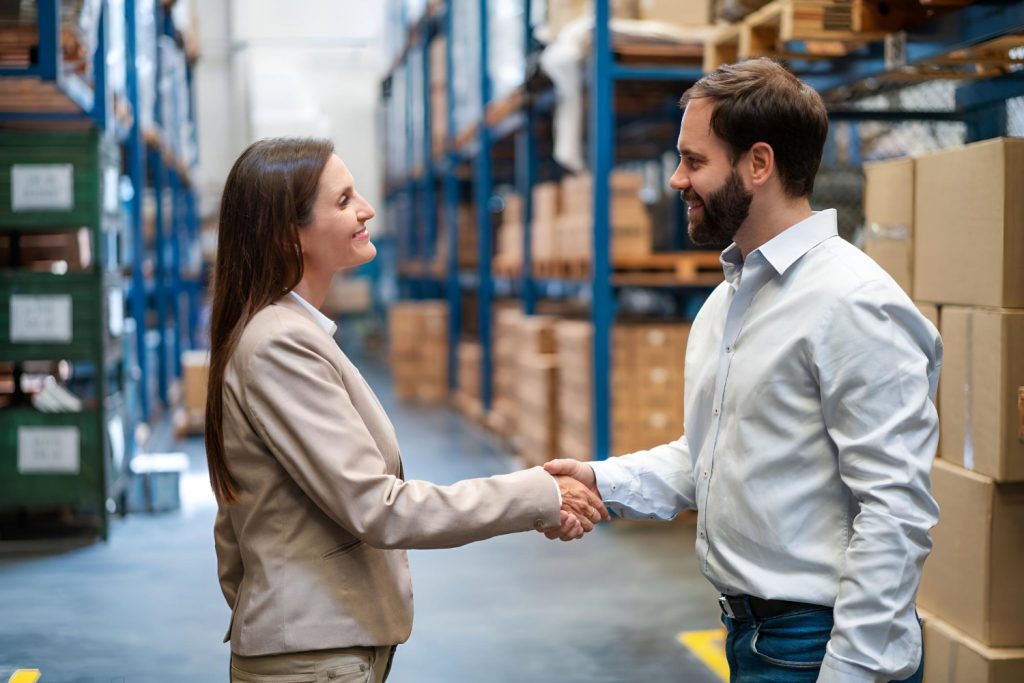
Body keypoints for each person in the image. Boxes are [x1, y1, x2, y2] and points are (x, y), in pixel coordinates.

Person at [544, 58, 942, 683]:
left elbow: (894, 509)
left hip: (819, 645)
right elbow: (711, 458)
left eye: (694, 161)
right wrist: (600, 480)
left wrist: (851, 670)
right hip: (753, 638)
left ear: (759, 164)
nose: (677, 180)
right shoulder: (729, 300)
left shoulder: (854, 303)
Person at [206, 137, 607, 683]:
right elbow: (378, 507)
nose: (366, 209)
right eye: (344, 200)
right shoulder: (280, 345)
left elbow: (235, 529)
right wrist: (537, 493)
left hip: (313, 648)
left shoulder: (285, 333)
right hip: (313, 657)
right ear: (287, 234)